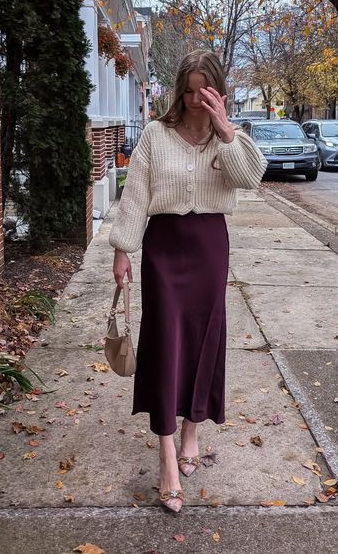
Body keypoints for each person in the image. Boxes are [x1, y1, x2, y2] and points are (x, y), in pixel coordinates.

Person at [109, 49, 264, 513]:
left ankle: (193, 429)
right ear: (180, 90)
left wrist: (226, 131)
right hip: (165, 247)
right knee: (165, 342)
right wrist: (122, 248)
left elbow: (251, 179)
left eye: (206, 91)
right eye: (190, 90)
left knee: (202, 339)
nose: (196, 99)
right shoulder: (156, 135)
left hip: (209, 245)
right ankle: (167, 457)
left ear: (219, 91)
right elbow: (135, 196)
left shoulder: (231, 138)